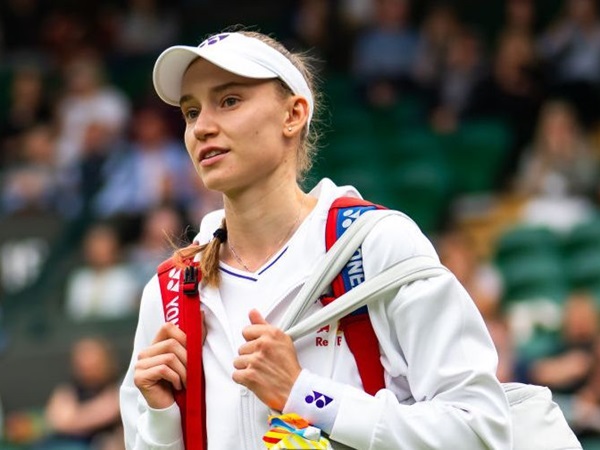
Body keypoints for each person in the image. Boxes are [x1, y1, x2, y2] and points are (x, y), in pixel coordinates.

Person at [119, 29, 512, 449]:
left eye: (229, 101)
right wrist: (162, 421)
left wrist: (307, 395)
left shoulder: (378, 245)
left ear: (294, 114)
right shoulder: (170, 292)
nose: (202, 128)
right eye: (191, 112)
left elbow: (480, 431)